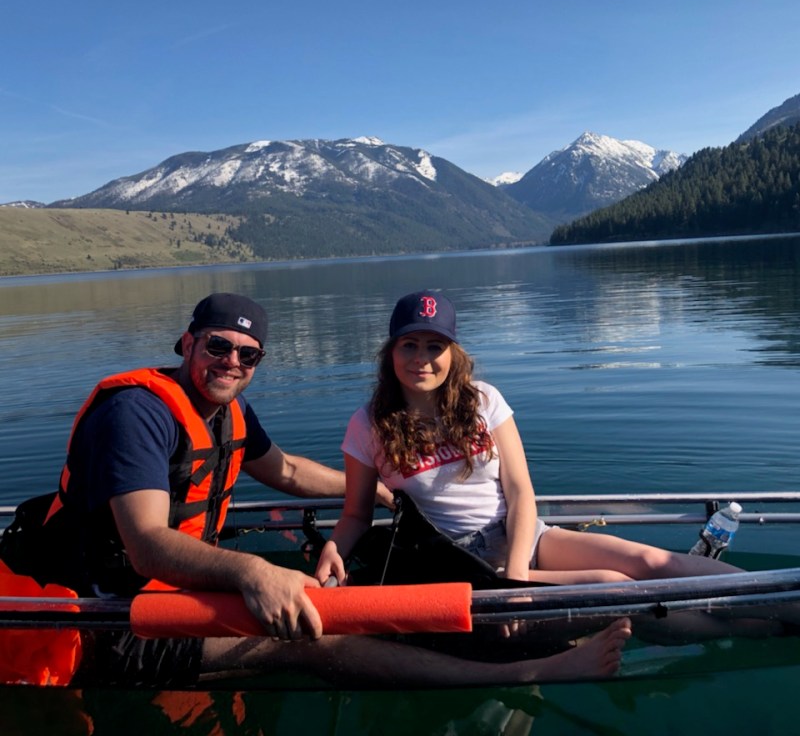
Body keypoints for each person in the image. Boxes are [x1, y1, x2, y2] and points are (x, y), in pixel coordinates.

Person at [2, 292, 631, 688]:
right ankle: (530, 674)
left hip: (170, 591)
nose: (232, 363)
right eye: (218, 347)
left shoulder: (228, 414)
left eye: (249, 356)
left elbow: (291, 474)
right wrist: (252, 570)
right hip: (109, 617)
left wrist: (382, 491)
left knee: (321, 600)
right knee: (318, 635)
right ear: (187, 343)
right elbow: (145, 546)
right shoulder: (136, 414)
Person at [315, 289, 745, 594]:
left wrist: (517, 570)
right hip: (455, 560)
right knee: (612, 586)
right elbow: (356, 514)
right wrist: (334, 548)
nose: (422, 358)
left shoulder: (484, 401)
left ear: (453, 354)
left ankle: (776, 600)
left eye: (435, 345)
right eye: (409, 344)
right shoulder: (369, 425)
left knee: (649, 562)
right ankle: (749, 630)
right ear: (391, 352)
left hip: (521, 534)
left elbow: (520, 493)